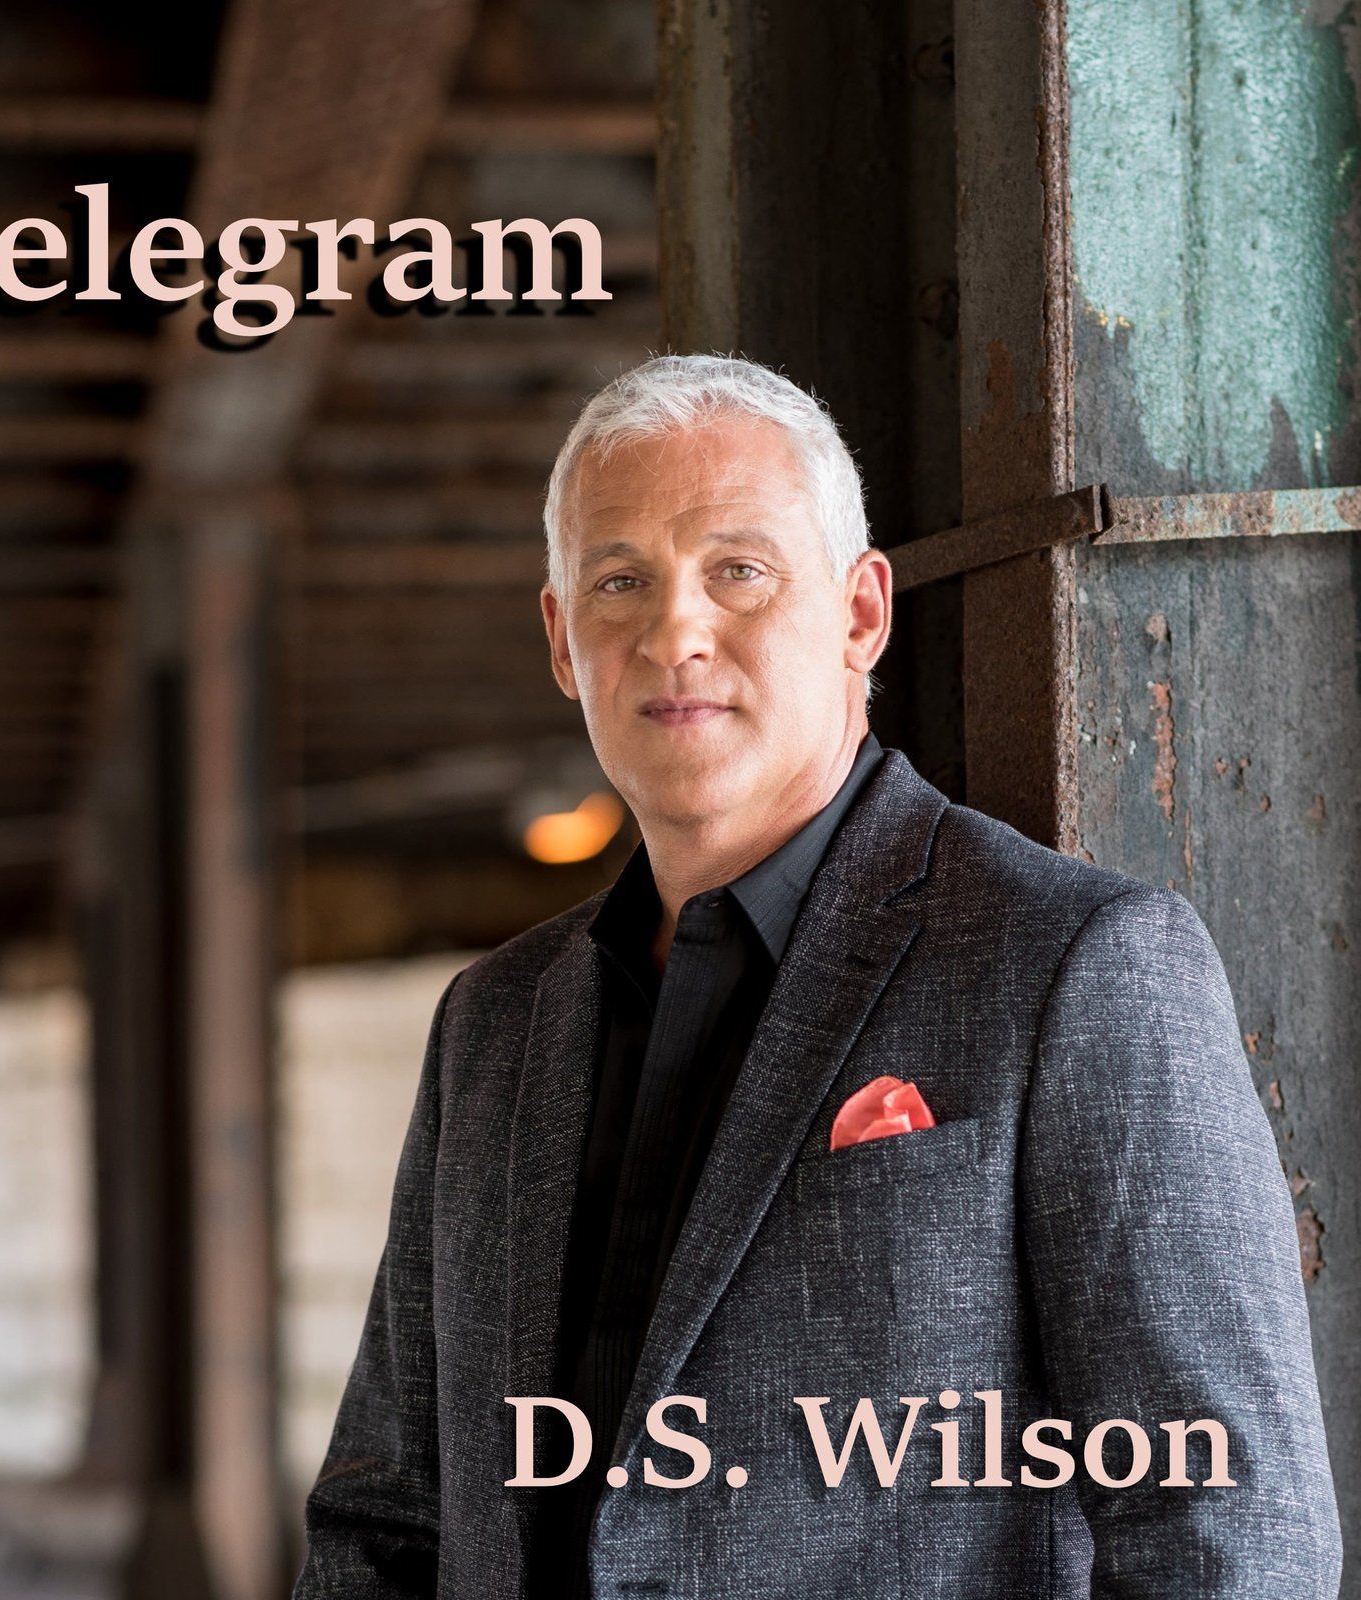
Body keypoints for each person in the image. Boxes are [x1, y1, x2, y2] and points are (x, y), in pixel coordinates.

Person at [293, 355, 1341, 1597]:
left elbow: (1229, 1536)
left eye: (737, 570)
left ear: (859, 613)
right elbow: (384, 1516)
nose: (673, 629)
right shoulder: (493, 1022)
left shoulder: (1074, 965)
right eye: (617, 580)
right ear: (563, 641)